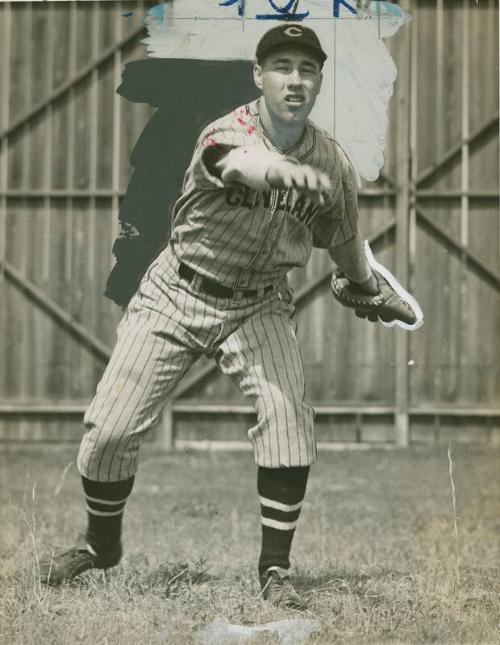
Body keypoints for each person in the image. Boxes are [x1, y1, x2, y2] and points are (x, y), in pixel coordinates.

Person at [40, 24, 411, 608]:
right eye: (282, 66)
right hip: (176, 291)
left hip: (258, 302)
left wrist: (363, 286)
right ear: (258, 76)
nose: (295, 79)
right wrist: (285, 174)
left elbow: (342, 239)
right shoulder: (224, 131)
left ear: (318, 80)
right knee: (109, 432)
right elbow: (232, 164)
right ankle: (100, 546)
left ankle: (275, 570)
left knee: (289, 423)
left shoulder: (332, 162)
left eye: (307, 69)